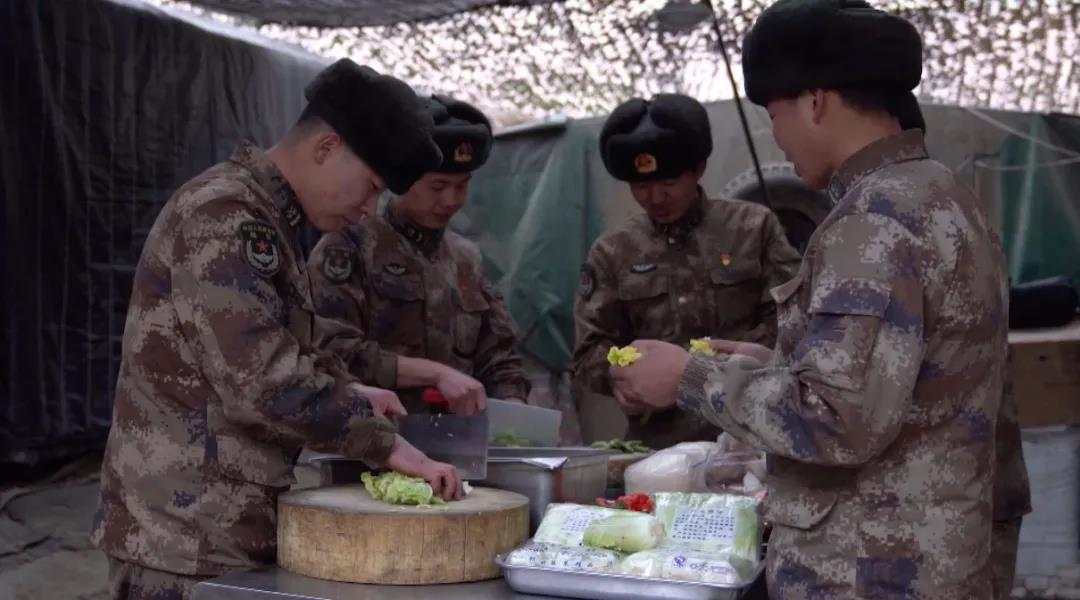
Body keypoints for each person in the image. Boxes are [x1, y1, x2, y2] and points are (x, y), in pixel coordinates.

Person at [608, 1, 1019, 596]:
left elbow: (838, 419)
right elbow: (910, 380)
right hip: (941, 550)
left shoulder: (873, 219)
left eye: (774, 114)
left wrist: (691, 378)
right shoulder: (945, 196)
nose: (776, 134)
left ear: (815, 101)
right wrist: (770, 365)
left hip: (871, 565)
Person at [91, 59, 458, 600]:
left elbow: (269, 344)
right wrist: (387, 446)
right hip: (184, 541)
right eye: (371, 186)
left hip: (212, 529)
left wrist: (350, 390)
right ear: (326, 148)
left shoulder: (268, 221)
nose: (368, 208)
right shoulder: (224, 214)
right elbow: (261, 380)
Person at [571, 93, 801, 448]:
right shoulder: (613, 252)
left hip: (752, 435)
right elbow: (588, 353)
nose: (655, 198)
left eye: (668, 183)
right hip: (659, 448)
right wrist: (619, 376)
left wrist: (720, 366)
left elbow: (795, 321)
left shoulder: (753, 228)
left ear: (699, 169)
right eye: (641, 186)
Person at [307, 95, 530, 414]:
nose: (452, 200)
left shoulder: (466, 259)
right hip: (373, 443)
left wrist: (513, 409)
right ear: (401, 179)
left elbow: (500, 357)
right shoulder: (348, 246)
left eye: (462, 186)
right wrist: (433, 374)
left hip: (457, 446)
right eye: (438, 187)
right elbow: (330, 351)